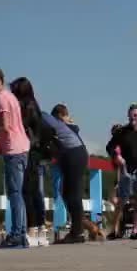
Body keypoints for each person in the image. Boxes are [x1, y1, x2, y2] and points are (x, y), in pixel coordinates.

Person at [0, 66, 31, 248]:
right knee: (19, 194)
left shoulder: (1, 98)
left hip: (13, 150)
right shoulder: (11, 96)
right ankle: (22, 235)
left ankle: (16, 235)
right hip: (23, 148)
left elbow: (5, 126)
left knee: (14, 193)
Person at [41, 104, 90, 244]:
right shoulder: (71, 128)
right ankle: (77, 230)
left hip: (73, 155)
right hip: (76, 155)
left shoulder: (63, 126)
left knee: (72, 194)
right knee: (69, 193)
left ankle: (78, 232)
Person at [10, 77, 49, 246]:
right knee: (35, 191)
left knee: (28, 191)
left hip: (28, 150)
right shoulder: (34, 105)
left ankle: (31, 230)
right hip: (36, 151)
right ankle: (40, 231)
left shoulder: (25, 106)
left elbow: (19, 127)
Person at [105, 104, 137, 239]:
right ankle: (114, 230)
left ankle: (135, 229)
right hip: (126, 170)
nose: (133, 117)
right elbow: (110, 146)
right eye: (131, 114)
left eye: (136, 115)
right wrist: (116, 156)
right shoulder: (122, 131)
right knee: (122, 201)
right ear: (128, 115)